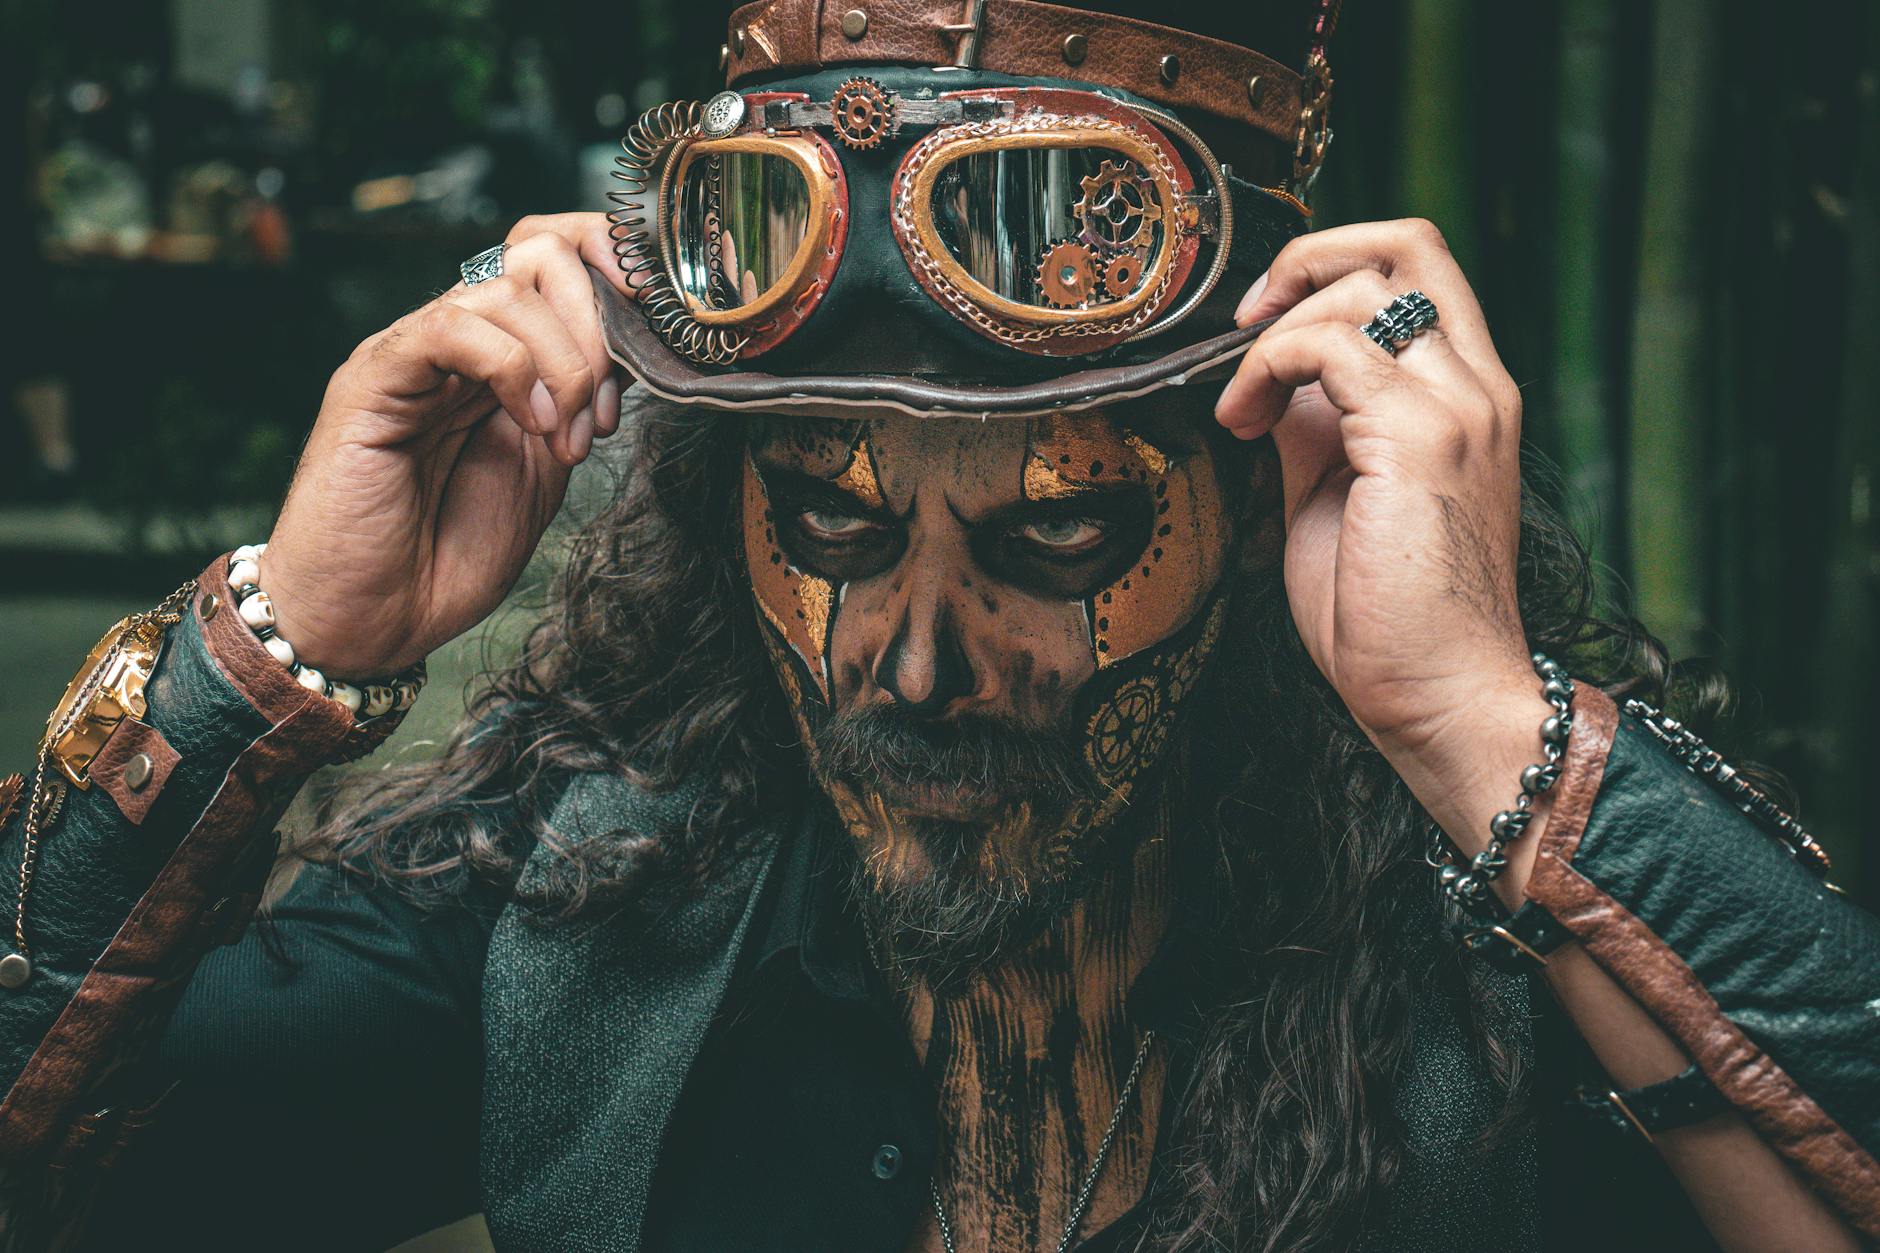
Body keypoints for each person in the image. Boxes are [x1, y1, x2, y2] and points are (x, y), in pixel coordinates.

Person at [2, 3, 1876, 1250]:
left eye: (1060, 530)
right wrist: (279, 642)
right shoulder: (580, 923)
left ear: (1252, 500)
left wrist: (1475, 720)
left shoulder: (1503, 999)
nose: (913, 654)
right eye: (830, 517)